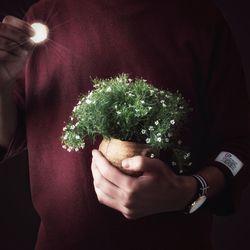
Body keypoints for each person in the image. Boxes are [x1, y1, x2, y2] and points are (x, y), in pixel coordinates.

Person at [0, 0, 249, 249]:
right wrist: (2, 82)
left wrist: (190, 191)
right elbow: (7, 137)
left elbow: (239, 151)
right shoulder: (43, 16)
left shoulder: (201, 18)